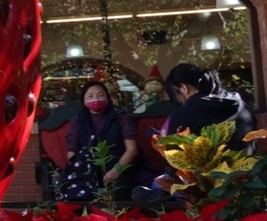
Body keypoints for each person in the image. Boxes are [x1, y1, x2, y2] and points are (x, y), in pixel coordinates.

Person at [132, 63, 256, 206]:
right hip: (247, 175)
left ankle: (165, 193)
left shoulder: (185, 114)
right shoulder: (240, 103)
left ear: (184, 88)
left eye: (176, 95)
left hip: (207, 186)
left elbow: (174, 158)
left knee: (160, 182)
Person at [57, 80, 140, 202]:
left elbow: (132, 149)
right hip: (87, 173)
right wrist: (80, 172)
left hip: (119, 169)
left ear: (108, 98)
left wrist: (117, 170)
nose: (95, 99)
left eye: (100, 95)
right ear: (84, 102)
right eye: (90, 96)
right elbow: (71, 150)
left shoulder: (120, 118)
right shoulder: (78, 121)